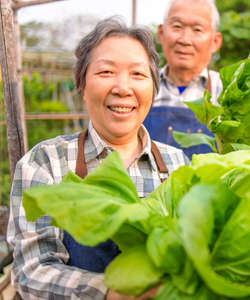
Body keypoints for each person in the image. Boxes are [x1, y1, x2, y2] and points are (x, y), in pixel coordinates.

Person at [7, 17, 188, 300]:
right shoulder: (45, 162)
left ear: (152, 89)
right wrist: (112, 293)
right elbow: (32, 270)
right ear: (82, 84)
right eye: (106, 72)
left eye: (138, 75)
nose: (122, 87)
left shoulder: (179, 165)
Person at [143, 0, 223, 159]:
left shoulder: (229, 92)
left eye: (197, 30)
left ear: (215, 42)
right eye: (177, 27)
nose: (185, 40)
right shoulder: (141, 86)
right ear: (161, 33)